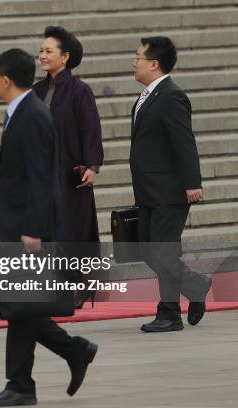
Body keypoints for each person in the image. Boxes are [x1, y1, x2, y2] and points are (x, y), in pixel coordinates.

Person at [0, 49, 97, 406]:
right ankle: (69, 354)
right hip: (13, 223)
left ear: (6, 79)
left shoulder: (34, 116)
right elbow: (13, 177)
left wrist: (34, 228)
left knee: (18, 306)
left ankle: (24, 382)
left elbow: (43, 178)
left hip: (26, 232)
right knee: (19, 306)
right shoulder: (21, 113)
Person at [130, 36, 212, 332]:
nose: (133, 62)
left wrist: (193, 182)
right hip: (150, 190)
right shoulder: (148, 96)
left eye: (138, 57)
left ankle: (182, 299)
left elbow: (184, 141)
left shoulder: (171, 96)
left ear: (154, 63)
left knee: (159, 252)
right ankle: (179, 302)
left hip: (169, 191)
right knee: (152, 250)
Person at [33, 26, 104, 309]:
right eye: (41, 51)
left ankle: (78, 283)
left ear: (65, 57)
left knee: (70, 230)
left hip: (70, 174)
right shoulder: (37, 91)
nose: (42, 56)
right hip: (42, 174)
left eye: (48, 51)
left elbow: (91, 130)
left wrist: (93, 165)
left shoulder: (79, 91)